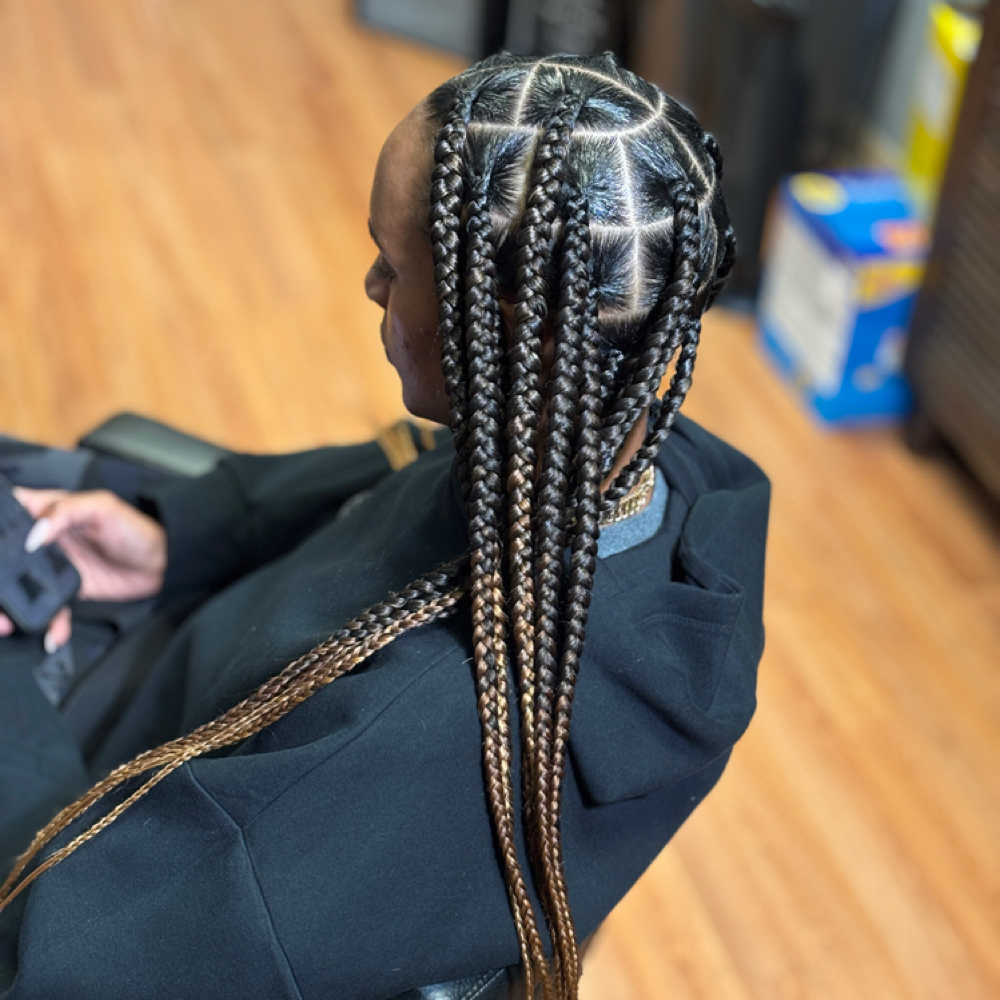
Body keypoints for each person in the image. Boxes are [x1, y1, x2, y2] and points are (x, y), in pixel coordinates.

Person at [0, 53, 769, 1000]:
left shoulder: (397, 750)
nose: (371, 284)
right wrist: (182, 535)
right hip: (185, 685)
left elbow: (52, 955)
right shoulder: (664, 469)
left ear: (504, 328)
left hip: (92, 810)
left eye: (393, 262)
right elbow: (397, 468)